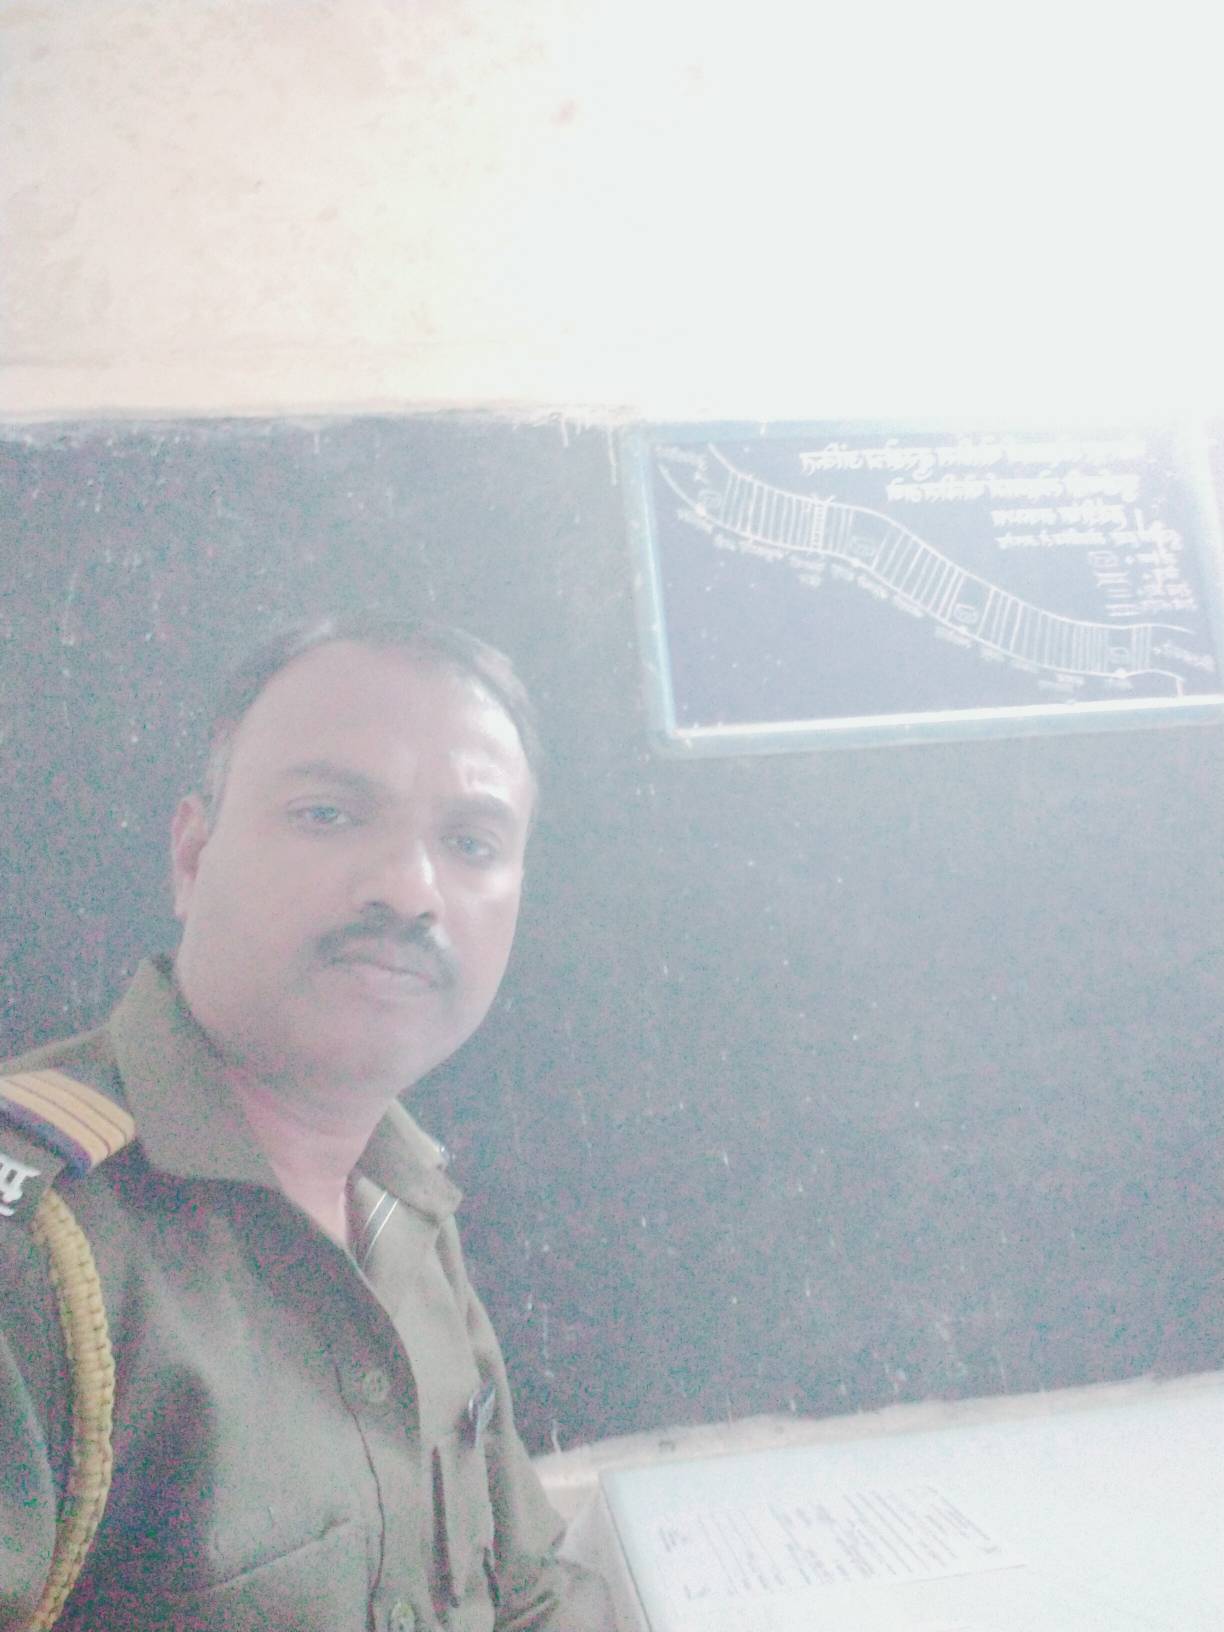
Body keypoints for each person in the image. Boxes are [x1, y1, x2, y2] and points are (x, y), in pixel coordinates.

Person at [0, 611, 615, 1632]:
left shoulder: (403, 1199)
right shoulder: (37, 1251)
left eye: (471, 843)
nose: (410, 890)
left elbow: (527, 1594)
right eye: (329, 814)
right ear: (192, 856)